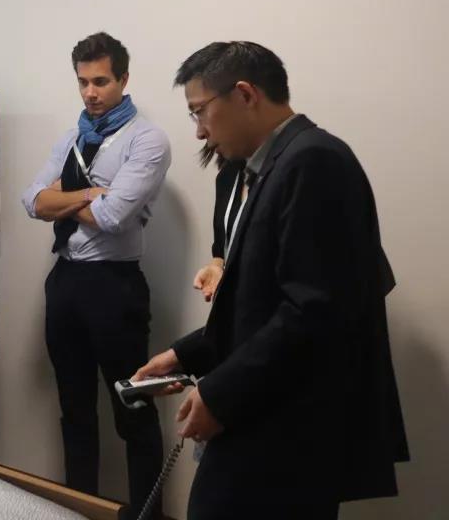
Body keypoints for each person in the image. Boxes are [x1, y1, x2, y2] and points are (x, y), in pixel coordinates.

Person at [136, 41, 408, 520]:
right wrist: (184, 354)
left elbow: (313, 310)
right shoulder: (271, 167)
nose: (199, 131)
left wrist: (220, 393)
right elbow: (259, 301)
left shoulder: (315, 161)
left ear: (245, 94)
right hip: (267, 413)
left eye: (200, 111)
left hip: (289, 428)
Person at [21, 32, 169, 519]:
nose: (90, 92)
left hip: (114, 285)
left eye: (101, 81)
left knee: (133, 410)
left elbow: (114, 217)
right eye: (83, 82)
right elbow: (31, 201)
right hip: (65, 280)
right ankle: (78, 508)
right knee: (75, 409)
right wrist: (89, 193)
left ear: (123, 79)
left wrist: (63, 198)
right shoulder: (72, 137)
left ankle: (147, 515)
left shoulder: (146, 139)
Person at [191, 144, 244, 302]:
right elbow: (222, 244)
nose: (200, 134)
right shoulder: (228, 175)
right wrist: (216, 266)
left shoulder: (281, 174)